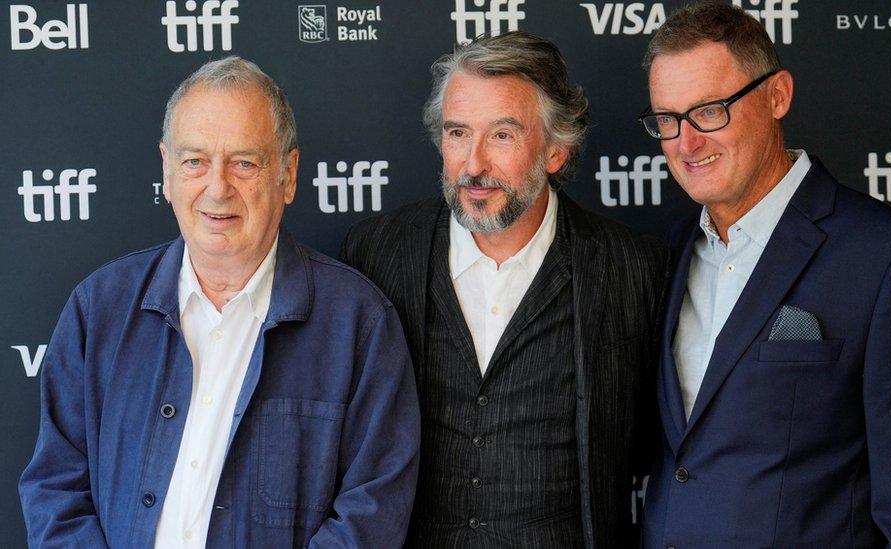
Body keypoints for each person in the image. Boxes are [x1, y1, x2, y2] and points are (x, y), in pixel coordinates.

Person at [19, 56, 420, 548]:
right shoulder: (98, 309)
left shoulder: (358, 323)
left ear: (288, 175)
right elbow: (56, 490)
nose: (217, 188)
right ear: (166, 171)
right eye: (195, 162)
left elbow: (371, 513)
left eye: (244, 163)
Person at [640, 3, 891, 546]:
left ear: (778, 96)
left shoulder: (889, 259)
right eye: (668, 120)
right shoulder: (669, 255)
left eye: (709, 111)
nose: (686, 142)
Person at [341, 31, 668, 548]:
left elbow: (654, 440)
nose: (473, 165)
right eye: (456, 134)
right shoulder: (377, 252)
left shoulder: (633, 269)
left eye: (501, 135)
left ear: (556, 149)